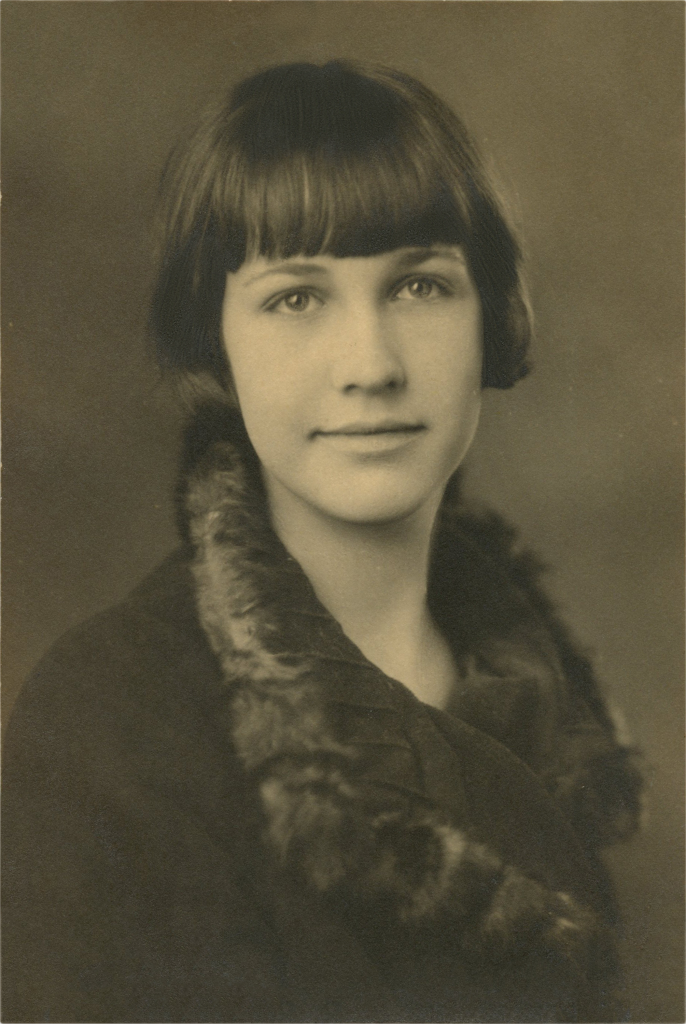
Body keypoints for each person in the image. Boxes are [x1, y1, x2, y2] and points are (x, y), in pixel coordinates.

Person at [3, 61, 642, 1023]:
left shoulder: (548, 718)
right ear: (214, 342)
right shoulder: (110, 716)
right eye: (296, 298)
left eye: (421, 286)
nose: (372, 366)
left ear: (491, 318)